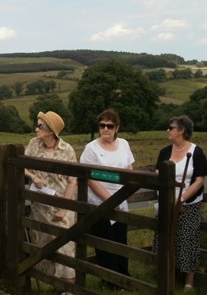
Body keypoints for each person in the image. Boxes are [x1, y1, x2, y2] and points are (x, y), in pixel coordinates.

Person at [79, 108, 134, 287]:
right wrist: (109, 200)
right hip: (99, 204)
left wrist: (120, 197)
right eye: (102, 125)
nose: (105, 129)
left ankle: (124, 279)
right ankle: (110, 282)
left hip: (121, 201)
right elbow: (90, 179)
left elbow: (129, 171)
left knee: (121, 242)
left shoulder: (124, 145)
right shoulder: (91, 148)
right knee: (105, 244)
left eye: (110, 126)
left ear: (116, 128)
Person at [24, 111, 77, 293]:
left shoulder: (67, 150)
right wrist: (33, 176)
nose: (36, 128)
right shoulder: (33, 144)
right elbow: (23, 165)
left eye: (40, 126)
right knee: (43, 246)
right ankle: (53, 285)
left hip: (62, 207)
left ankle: (69, 290)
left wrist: (64, 208)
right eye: (37, 125)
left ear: (51, 131)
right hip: (40, 207)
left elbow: (72, 180)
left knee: (66, 247)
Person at [152, 115, 206, 291]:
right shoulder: (165, 152)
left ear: (182, 130)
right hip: (166, 204)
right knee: (165, 239)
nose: (168, 130)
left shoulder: (196, 153)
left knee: (187, 240)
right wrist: (167, 201)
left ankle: (188, 280)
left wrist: (181, 200)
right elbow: (158, 175)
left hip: (188, 205)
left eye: (171, 127)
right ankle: (166, 274)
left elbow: (199, 181)